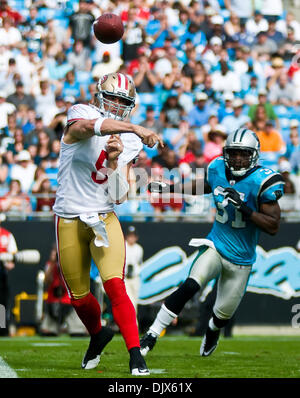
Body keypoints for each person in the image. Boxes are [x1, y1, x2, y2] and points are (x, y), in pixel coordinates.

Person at [52, 72, 162, 376]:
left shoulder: (128, 142)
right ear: (100, 96)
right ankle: (98, 333)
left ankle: (136, 355)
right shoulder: (81, 112)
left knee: (115, 285)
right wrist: (136, 128)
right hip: (70, 216)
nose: (115, 104)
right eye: (112, 97)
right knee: (78, 296)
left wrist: (114, 162)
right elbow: (88, 128)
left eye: (122, 101)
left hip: (102, 216)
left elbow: (120, 196)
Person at [140, 128, 284, 358]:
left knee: (222, 315)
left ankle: (212, 330)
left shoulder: (262, 180)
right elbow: (203, 186)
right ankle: (152, 335)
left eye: (243, 154)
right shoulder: (217, 168)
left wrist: (244, 208)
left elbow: (273, 226)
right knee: (190, 285)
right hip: (216, 245)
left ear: (254, 155)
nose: (237, 158)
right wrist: (170, 189)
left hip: (241, 259)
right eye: (233, 153)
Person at [0, 213, 18, 336]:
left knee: (1, 303)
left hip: (1, 273)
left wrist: (7, 262)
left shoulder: (7, 235)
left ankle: (1, 328)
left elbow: (13, 258)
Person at [124, 226, 144, 314]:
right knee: (129, 301)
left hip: (135, 278)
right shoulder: (123, 246)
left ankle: (134, 325)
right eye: (130, 235)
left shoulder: (139, 249)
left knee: (134, 301)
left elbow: (139, 263)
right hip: (125, 278)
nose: (131, 238)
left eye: (133, 236)